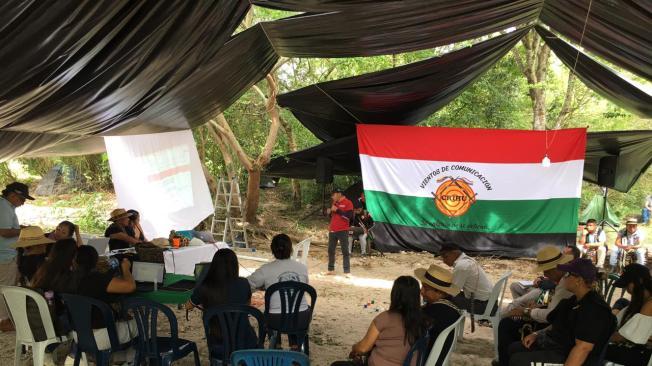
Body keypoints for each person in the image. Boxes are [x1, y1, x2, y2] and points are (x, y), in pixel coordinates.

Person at [508, 258, 616, 366]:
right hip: (559, 346)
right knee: (514, 348)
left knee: (519, 361)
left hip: (569, 356)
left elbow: (583, 348)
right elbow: (557, 323)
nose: (564, 277)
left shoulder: (594, 309)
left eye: (568, 274)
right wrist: (536, 334)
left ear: (579, 280)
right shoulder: (573, 300)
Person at [495, 246, 574, 366]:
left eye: (547, 271)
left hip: (556, 331)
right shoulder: (564, 279)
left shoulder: (566, 284)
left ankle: (505, 362)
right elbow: (555, 306)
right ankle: (505, 360)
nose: (544, 273)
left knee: (507, 325)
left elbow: (551, 315)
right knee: (509, 323)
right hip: (554, 322)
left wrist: (526, 312)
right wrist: (538, 306)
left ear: (557, 268)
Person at [331, 276, 424, 366]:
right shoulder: (422, 321)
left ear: (395, 294)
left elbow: (363, 348)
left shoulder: (385, 318)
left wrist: (354, 348)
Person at [186, 249, 256, 351]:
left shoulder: (205, 287)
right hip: (246, 341)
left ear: (214, 266)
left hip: (219, 344)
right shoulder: (244, 283)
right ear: (235, 265)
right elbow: (247, 305)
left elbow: (188, 306)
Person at [248, 234, 310, 347]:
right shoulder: (302, 267)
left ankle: (277, 345)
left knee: (274, 311)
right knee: (296, 308)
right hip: (301, 318)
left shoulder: (266, 269)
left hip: (276, 319)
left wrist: (264, 286)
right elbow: (304, 285)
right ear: (291, 249)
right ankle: (295, 346)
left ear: (272, 249)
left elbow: (248, 284)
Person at [74, 245, 137, 354]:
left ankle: (119, 357)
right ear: (96, 260)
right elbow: (130, 286)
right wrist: (126, 268)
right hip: (100, 335)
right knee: (138, 325)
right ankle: (131, 359)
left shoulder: (69, 277)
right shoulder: (96, 279)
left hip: (77, 333)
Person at [0, 182, 34, 332]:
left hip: (6, 254)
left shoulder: (6, 206)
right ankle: (4, 321)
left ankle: (5, 318)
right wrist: (22, 230)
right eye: (22, 199)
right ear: (13, 195)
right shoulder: (4, 207)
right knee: (6, 288)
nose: (23, 203)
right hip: (5, 255)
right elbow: (4, 231)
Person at [414, 264, 462, 366]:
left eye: (426, 289)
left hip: (425, 358)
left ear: (440, 292)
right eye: (422, 286)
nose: (421, 291)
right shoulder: (450, 305)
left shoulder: (434, 311)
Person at [604, 263, 652, 366]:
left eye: (627, 285)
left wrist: (599, 336)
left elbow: (624, 337)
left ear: (640, 281)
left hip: (646, 355)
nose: (627, 290)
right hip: (638, 349)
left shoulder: (650, 304)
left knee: (596, 349)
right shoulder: (640, 300)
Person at [30, 238, 78, 336]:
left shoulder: (44, 268)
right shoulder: (65, 275)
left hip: (37, 318)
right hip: (56, 323)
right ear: (73, 255)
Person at [438, 243, 493, 314]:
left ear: (454, 253)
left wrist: (437, 293)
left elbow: (453, 291)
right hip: (488, 302)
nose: (444, 261)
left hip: (481, 306)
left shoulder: (462, 266)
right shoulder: (468, 260)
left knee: (442, 300)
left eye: (445, 257)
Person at [327, 188, 353, 275]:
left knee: (345, 251)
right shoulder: (335, 203)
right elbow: (333, 216)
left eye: (333, 195)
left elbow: (349, 217)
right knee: (330, 250)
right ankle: (331, 269)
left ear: (339, 194)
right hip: (332, 230)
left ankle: (347, 272)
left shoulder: (348, 203)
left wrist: (337, 210)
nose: (332, 197)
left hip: (343, 230)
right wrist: (329, 212)